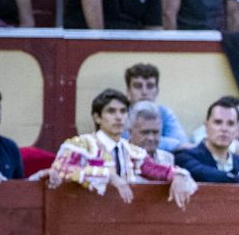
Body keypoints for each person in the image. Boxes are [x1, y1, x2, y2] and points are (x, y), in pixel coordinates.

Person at [51, 87, 193, 206]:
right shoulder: (81, 145)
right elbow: (61, 170)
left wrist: (178, 175)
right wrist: (109, 176)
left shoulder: (132, 152)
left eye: (123, 111)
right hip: (82, 215)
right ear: (97, 117)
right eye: (111, 111)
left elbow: (156, 170)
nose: (119, 117)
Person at [175, 96, 239, 184]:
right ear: (206, 125)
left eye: (230, 123)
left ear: (237, 130)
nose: (224, 129)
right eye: (218, 122)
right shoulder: (185, 156)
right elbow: (202, 173)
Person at [122, 62, 188, 150]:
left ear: (157, 91)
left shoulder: (164, 112)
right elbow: (125, 143)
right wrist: (172, 145)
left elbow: (183, 144)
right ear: (128, 91)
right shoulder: (121, 113)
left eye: (150, 86)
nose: (144, 92)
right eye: (138, 86)